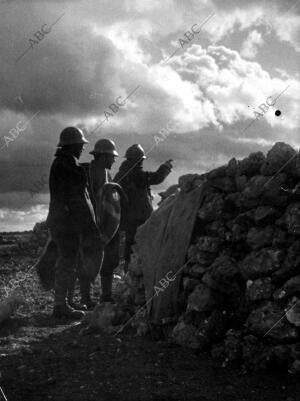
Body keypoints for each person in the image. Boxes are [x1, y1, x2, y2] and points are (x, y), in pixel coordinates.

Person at [46, 127, 99, 319]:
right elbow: (74, 188)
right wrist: (84, 170)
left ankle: (65, 302)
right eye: (80, 146)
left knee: (70, 261)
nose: (82, 149)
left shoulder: (66, 163)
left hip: (67, 223)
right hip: (64, 223)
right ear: (72, 146)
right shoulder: (64, 165)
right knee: (67, 262)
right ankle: (60, 305)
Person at [114, 144, 173, 272]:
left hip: (127, 217)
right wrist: (166, 167)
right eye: (140, 160)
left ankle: (129, 272)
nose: (141, 162)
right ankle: (138, 272)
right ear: (138, 160)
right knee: (141, 244)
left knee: (130, 244)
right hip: (140, 217)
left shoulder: (120, 175)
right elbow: (157, 178)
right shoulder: (137, 174)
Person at [89, 139, 120, 302]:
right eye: (111, 157)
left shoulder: (106, 173)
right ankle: (85, 299)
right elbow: (92, 200)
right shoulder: (91, 173)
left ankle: (106, 295)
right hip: (95, 224)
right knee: (89, 262)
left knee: (109, 261)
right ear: (102, 156)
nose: (114, 160)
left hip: (108, 223)